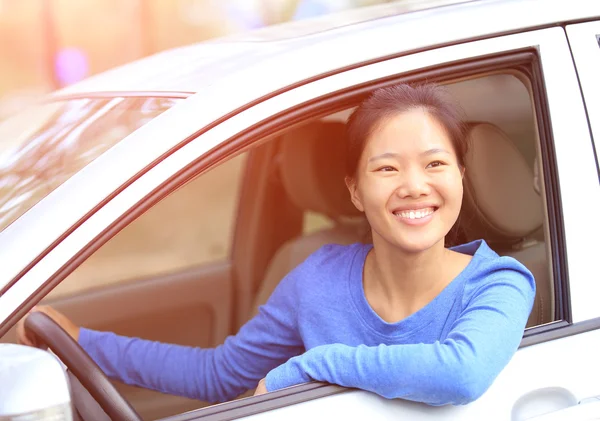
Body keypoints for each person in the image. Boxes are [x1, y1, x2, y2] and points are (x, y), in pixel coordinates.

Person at [17, 83, 535, 406]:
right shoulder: (318, 279)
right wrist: (85, 344)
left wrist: (310, 365)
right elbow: (218, 374)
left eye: (435, 164)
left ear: (461, 177)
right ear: (355, 189)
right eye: (387, 167)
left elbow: (461, 373)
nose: (414, 185)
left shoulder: (500, 283)